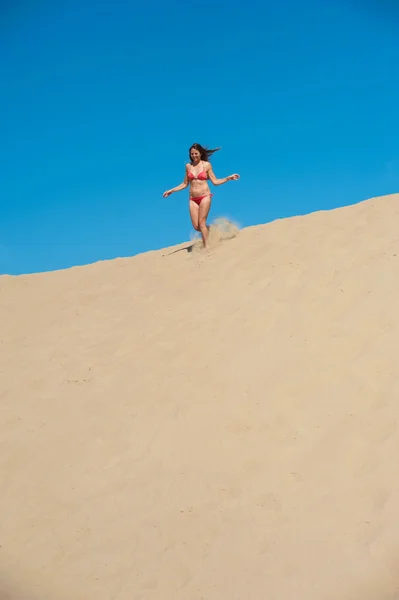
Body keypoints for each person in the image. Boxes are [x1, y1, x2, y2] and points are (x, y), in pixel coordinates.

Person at [162, 143, 240, 248]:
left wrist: (228, 178)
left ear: (201, 153)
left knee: (202, 223)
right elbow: (185, 184)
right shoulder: (188, 166)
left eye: (196, 154)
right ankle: (211, 231)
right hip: (193, 199)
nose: (194, 156)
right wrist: (172, 190)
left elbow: (215, 181)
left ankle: (207, 248)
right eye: (192, 154)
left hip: (205, 196)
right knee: (196, 226)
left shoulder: (206, 165)